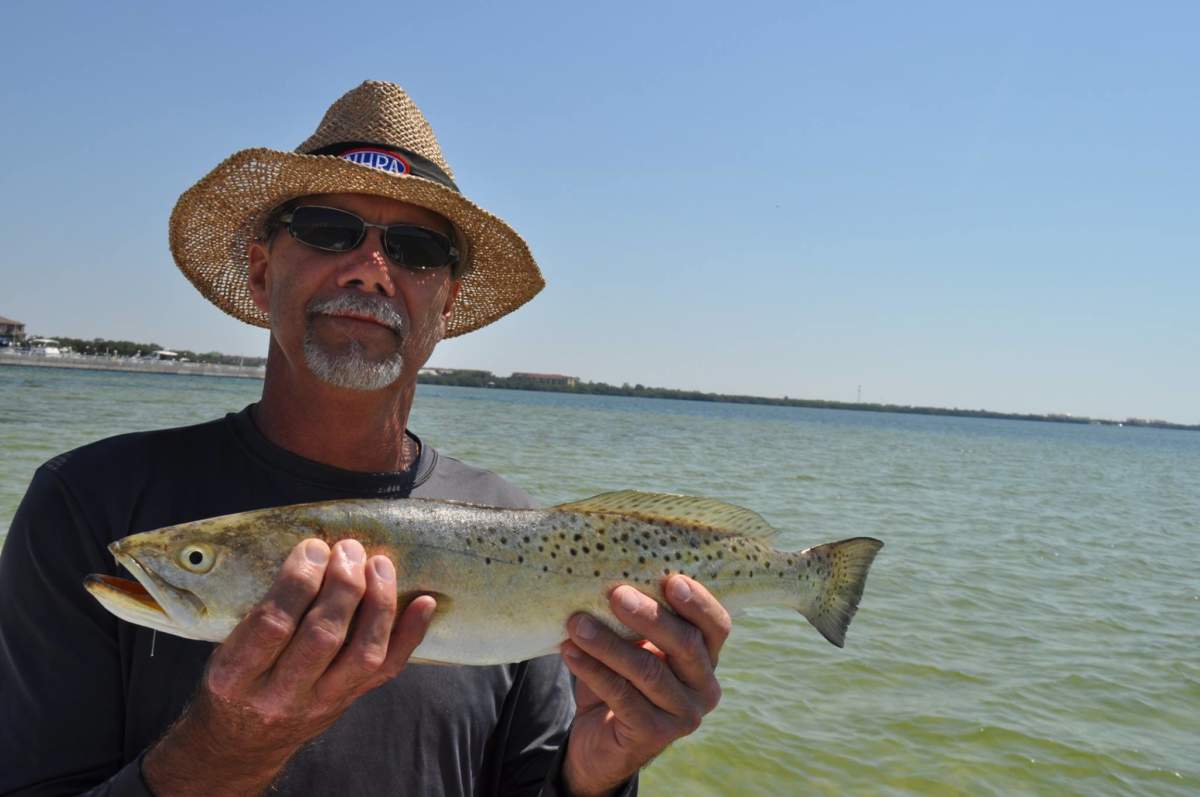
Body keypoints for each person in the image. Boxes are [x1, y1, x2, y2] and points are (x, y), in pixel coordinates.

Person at [0, 81, 730, 796]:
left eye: (415, 248)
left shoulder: (521, 528)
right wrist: (227, 747)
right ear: (261, 271)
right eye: (328, 229)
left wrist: (595, 776)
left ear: (445, 302)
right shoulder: (89, 506)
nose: (371, 270)